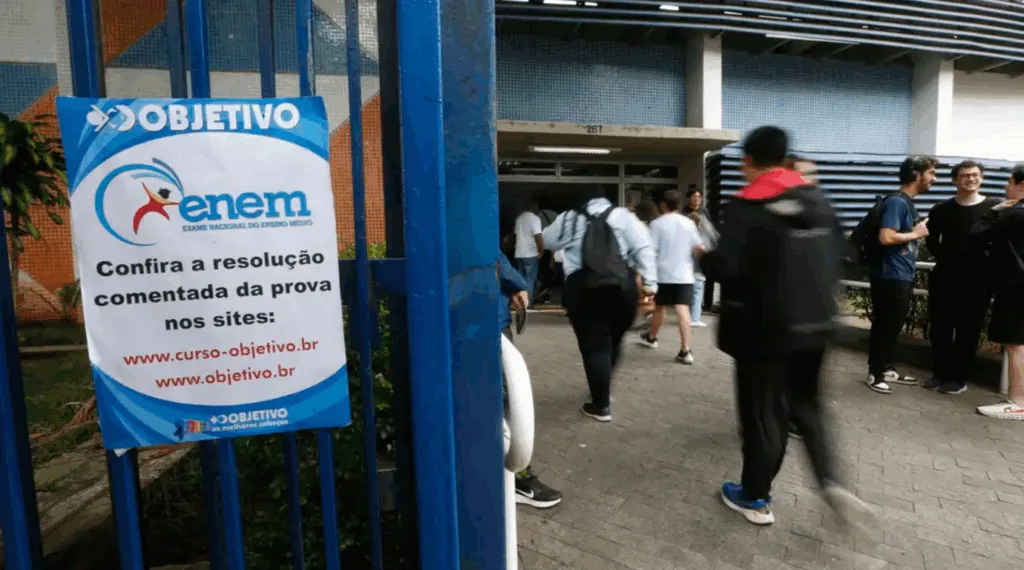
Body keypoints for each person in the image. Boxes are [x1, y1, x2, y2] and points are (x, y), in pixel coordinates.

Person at [697, 125, 872, 527]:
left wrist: (703, 256)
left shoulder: (745, 205)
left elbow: (728, 267)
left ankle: (755, 497)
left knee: (764, 417)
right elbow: (843, 257)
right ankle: (831, 482)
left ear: (747, 162)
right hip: (817, 324)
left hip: (763, 330)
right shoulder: (818, 200)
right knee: (808, 407)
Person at [541, 186, 656, 422]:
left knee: (594, 345)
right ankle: (604, 385)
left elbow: (546, 240)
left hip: (582, 287)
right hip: (621, 287)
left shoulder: (569, 218)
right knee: (614, 340)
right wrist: (651, 286)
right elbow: (644, 249)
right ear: (606, 198)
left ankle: (600, 404)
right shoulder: (624, 216)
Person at [923, 160, 1002, 395]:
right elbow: (930, 239)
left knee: (969, 330)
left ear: (982, 178)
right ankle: (940, 373)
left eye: (975, 175)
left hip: (978, 280)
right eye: (965, 175)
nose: (971, 179)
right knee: (940, 327)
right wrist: (947, 258)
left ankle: (958, 379)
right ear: (955, 180)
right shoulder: (941, 209)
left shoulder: (994, 208)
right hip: (945, 277)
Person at [865, 156, 937, 394]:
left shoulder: (905, 202)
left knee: (892, 325)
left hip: (899, 274)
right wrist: (916, 234)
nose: (933, 179)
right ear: (917, 174)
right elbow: (886, 237)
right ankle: (875, 373)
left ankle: (885, 368)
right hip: (890, 275)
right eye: (931, 173)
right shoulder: (897, 202)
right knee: (886, 325)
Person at [497, 252, 564, 508]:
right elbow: (491, 256)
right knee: (504, 401)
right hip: (487, 321)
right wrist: (518, 284)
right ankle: (517, 480)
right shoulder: (464, 217)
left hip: (466, 318)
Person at [969, 164, 1024, 420]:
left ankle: (1018, 401)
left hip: (1015, 287)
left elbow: (977, 234)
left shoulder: (1015, 215)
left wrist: (993, 211)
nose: (1006, 187)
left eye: (1010, 182)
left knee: (1015, 344)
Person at [638, 191, 703, 364]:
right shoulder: (688, 223)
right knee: (683, 309)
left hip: (662, 274)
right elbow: (699, 247)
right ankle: (685, 350)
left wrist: (643, 273)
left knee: (659, 307)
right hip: (684, 274)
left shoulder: (657, 224)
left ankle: (652, 338)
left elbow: (650, 251)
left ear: (663, 205)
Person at [682, 188, 718, 328]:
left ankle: (706, 306)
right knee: (694, 282)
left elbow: (710, 230)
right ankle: (692, 312)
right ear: (689, 198)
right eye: (694, 196)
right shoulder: (684, 213)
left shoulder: (704, 212)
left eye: (699, 196)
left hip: (705, 250)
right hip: (690, 251)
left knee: (707, 279)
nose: (697, 199)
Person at [513, 200, 544, 302]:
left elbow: (515, 235)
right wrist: (541, 251)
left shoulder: (519, 219)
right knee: (530, 278)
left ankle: (520, 301)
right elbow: (538, 236)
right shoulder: (535, 219)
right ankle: (528, 302)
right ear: (534, 209)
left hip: (519, 253)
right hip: (530, 253)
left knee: (520, 278)